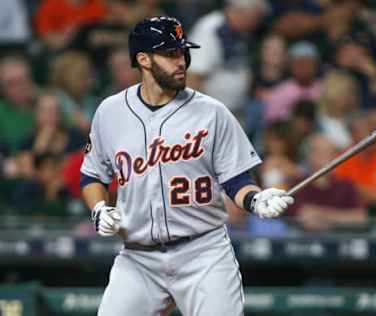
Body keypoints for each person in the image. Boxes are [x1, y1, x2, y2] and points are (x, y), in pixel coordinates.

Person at [79, 16, 294, 316]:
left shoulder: (212, 113)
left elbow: (236, 180)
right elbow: (91, 175)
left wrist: (256, 199)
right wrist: (99, 209)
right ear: (143, 59)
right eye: (169, 54)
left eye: (182, 53)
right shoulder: (110, 112)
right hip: (139, 258)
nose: (180, 61)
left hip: (204, 253)